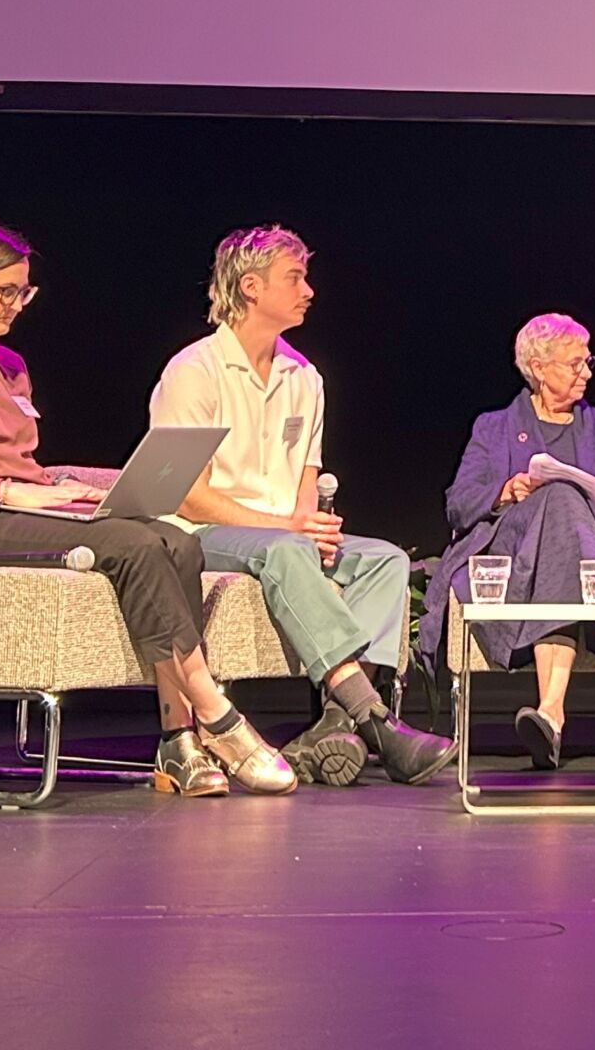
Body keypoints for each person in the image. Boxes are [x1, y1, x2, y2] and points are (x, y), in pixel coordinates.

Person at [0, 219, 294, 800]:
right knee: (134, 546)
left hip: (6, 514)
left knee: (173, 539)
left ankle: (177, 742)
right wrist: (8, 493)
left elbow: (17, 463)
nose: (17, 306)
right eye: (5, 292)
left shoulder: (8, 365)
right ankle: (212, 713)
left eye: (24, 293)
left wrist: (63, 489)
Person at [150, 225, 455, 788]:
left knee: (384, 559)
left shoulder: (304, 377)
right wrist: (288, 528)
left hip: (279, 536)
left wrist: (308, 526)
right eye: (295, 278)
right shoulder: (193, 372)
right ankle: (376, 721)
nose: (308, 289)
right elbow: (185, 494)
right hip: (204, 532)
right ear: (249, 286)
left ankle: (334, 727)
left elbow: (306, 481)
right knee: (288, 547)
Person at [418, 314, 595, 770]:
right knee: (559, 495)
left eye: (587, 361)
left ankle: (550, 713)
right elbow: (458, 504)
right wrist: (505, 491)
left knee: (563, 535)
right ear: (538, 367)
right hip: (515, 557)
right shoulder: (493, 427)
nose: (587, 372)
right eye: (575, 364)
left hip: (582, 562)